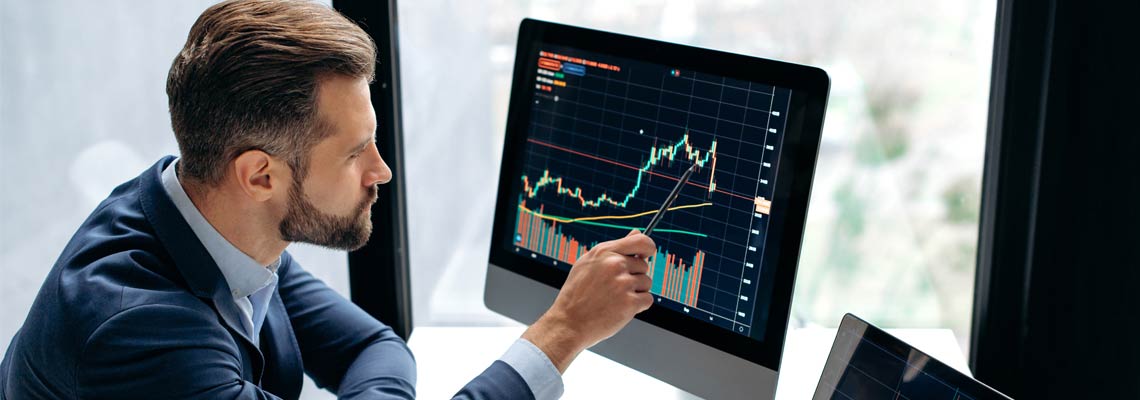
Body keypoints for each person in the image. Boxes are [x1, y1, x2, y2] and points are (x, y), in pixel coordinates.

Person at [0, 1, 657, 399]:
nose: (383, 171)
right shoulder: (142, 334)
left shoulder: (204, 217)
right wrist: (565, 330)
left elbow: (376, 348)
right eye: (353, 153)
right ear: (260, 175)